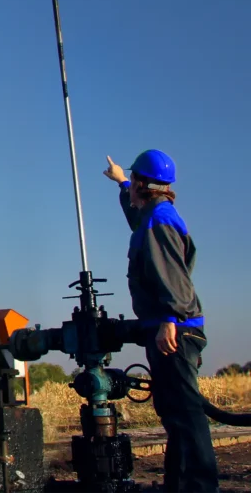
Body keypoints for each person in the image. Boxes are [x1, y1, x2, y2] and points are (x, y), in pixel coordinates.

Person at [103, 150, 219, 493]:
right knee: (175, 415)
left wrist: (170, 318)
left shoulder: (160, 220)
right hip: (168, 328)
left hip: (175, 332)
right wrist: (121, 180)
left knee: (186, 416)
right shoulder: (152, 214)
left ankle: (200, 487)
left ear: (144, 184)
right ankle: (179, 485)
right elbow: (134, 213)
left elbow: (173, 275)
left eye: (133, 181)